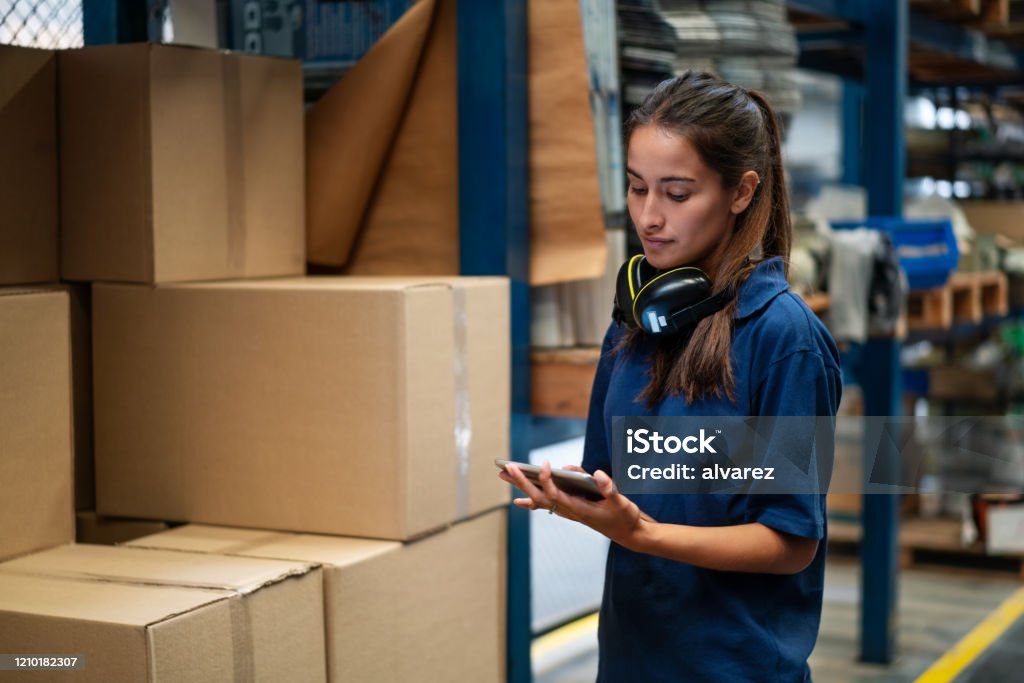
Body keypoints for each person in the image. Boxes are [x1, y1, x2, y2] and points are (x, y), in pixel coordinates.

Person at [500, 71, 841, 682]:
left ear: (741, 191)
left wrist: (644, 534)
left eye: (677, 194)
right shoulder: (631, 327)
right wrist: (573, 495)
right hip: (632, 661)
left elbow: (791, 541)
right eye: (637, 189)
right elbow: (615, 478)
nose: (649, 217)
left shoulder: (785, 341)